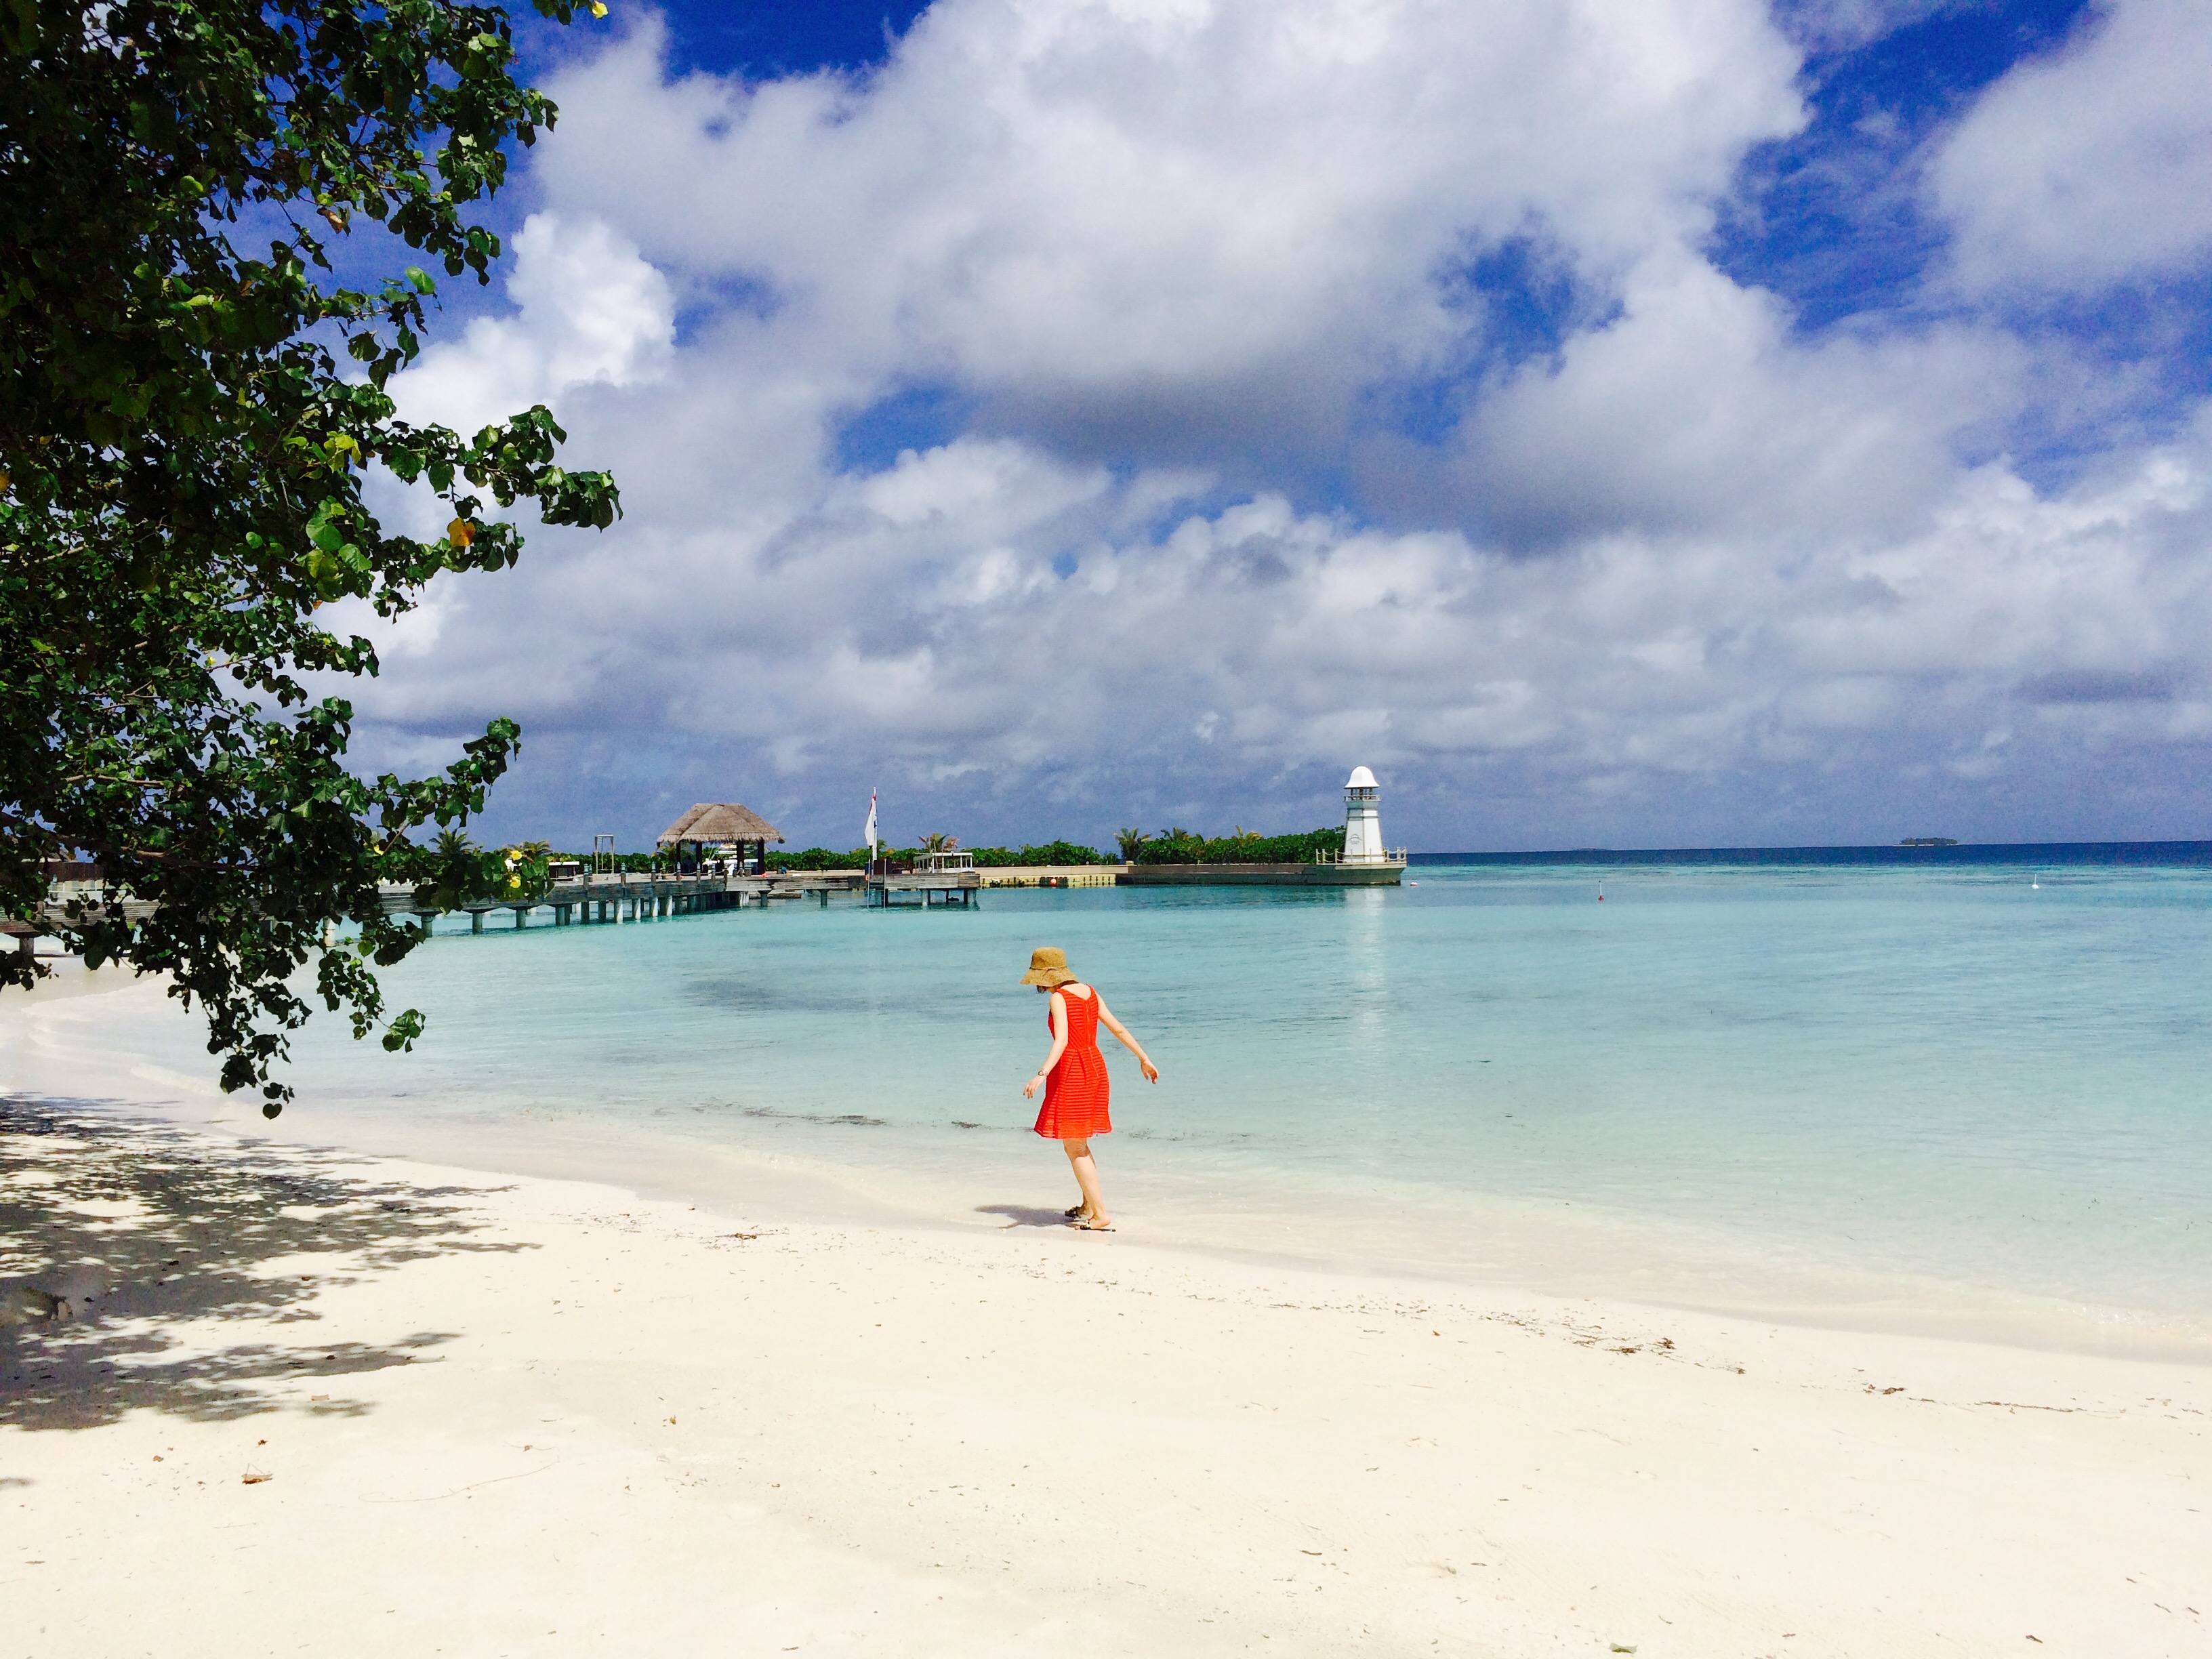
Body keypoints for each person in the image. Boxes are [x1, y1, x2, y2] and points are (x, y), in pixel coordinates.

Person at [1019, 947, 1158, 1231]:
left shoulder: (1059, 998)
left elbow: (1062, 1041)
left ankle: (1101, 1215)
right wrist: (1143, 1058)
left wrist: (1041, 1074)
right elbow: (1117, 1028)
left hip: (1072, 1071)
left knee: (1074, 1145)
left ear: (1046, 975)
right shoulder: (1090, 992)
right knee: (1080, 1140)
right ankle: (1087, 1206)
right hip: (1095, 1068)